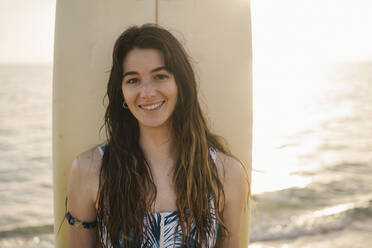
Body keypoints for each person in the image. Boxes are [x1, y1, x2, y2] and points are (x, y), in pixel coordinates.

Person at [66, 23, 250, 247]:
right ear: (122, 91)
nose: (147, 92)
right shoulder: (90, 170)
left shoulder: (225, 173)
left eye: (160, 76)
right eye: (133, 80)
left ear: (180, 84)